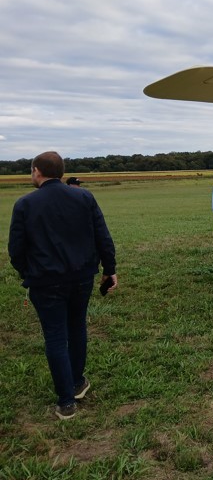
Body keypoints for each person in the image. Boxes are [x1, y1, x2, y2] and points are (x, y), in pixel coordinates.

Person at [8, 151, 117, 420]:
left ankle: (66, 401)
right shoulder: (84, 197)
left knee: (55, 336)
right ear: (61, 171)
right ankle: (77, 381)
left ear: (36, 171)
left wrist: (27, 272)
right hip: (81, 277)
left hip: (45, 282)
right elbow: (102, 235)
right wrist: (109, 270)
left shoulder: (25, 204)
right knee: (77, 327)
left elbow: (15, 250)